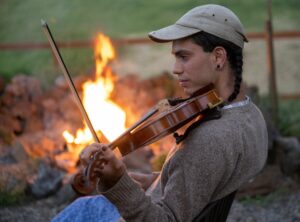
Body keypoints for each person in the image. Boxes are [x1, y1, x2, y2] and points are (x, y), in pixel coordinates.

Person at [52, 4, 268, 222]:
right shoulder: (250, 116)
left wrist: (118, 182)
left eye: (184, 57)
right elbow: (205, 179)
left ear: (219, 57)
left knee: (81, 210)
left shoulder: (209, 140)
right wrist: (156, 180)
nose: (175, 68)